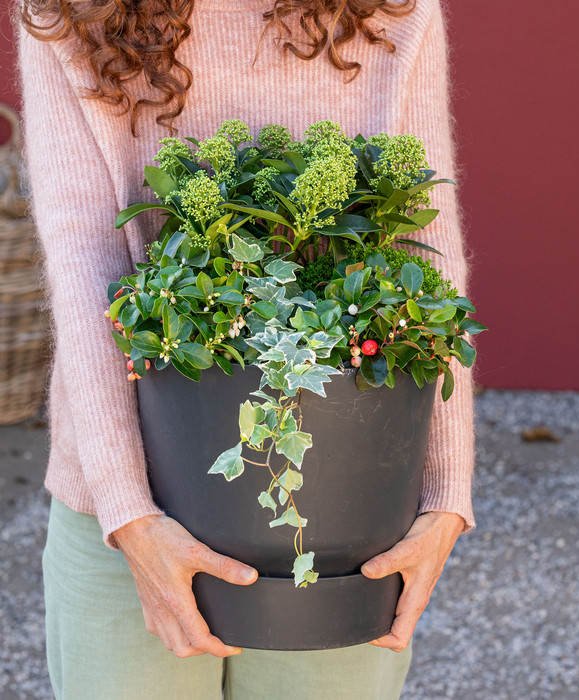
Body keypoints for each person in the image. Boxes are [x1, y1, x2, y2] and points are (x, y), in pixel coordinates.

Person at [17, 0, 476, 697]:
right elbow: (85, 258)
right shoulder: (67, 10)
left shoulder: (390, 8)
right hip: (123, 509)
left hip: (345, 504)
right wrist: (130, 517)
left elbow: (425, 247)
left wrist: (446, 498)